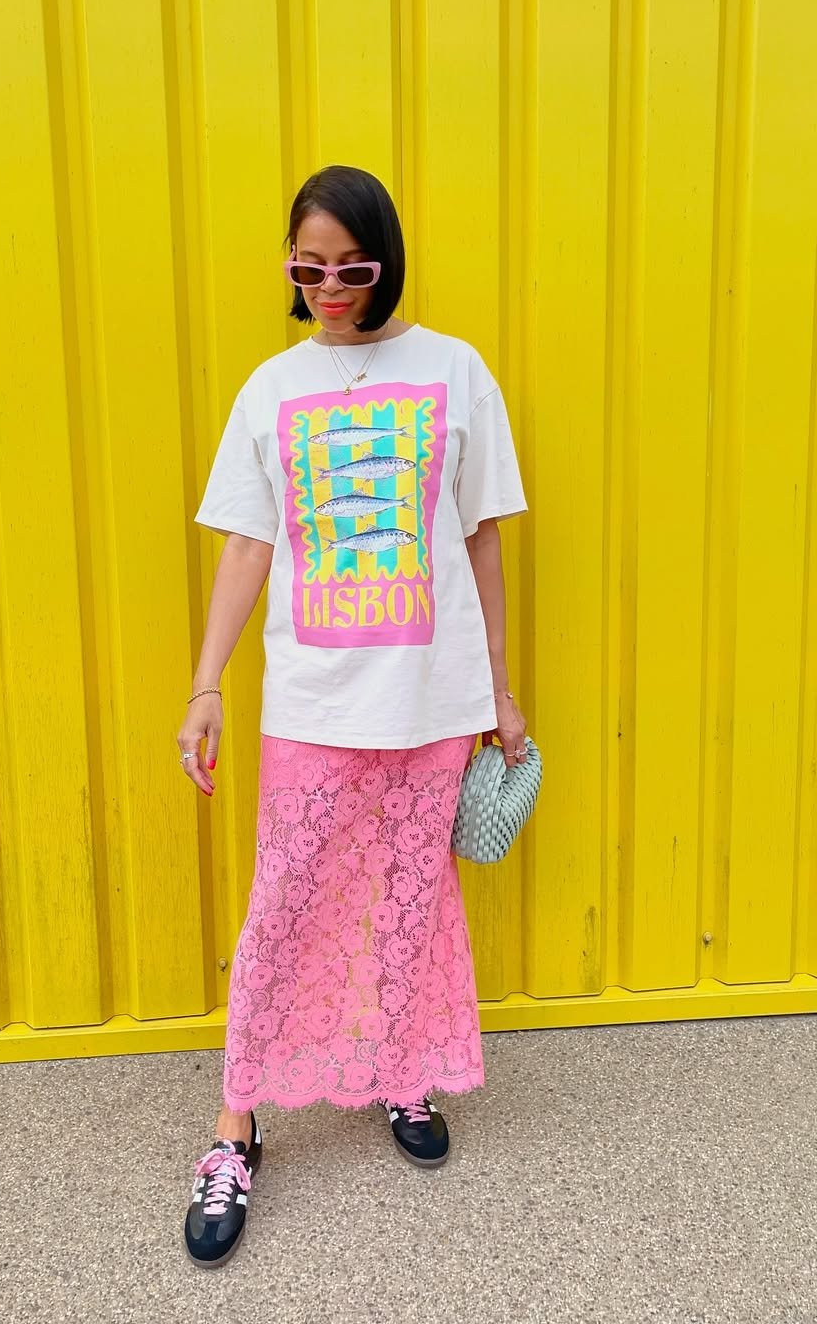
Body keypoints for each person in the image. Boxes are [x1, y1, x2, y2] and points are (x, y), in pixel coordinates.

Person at [180, 164, 528, 1269]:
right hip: (316, 701)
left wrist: (500, 688)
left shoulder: (456, 372)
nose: (330, 286)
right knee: (284, 902)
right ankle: (235, 1130)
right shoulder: (268, 390)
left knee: (414, 898)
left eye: (353, 266)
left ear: (387, 260)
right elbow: (247, 544)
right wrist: (204, 683)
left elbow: (481, 537)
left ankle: (400, 1072)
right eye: (308, 267)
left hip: (432, 697)